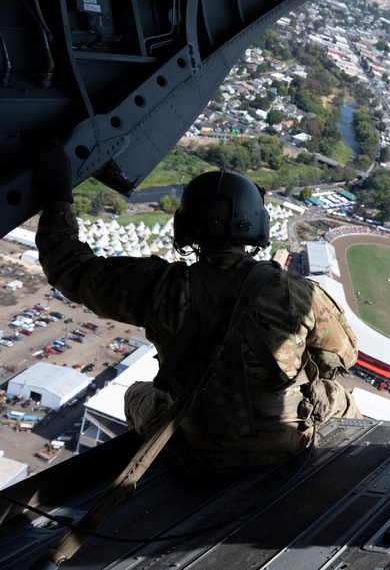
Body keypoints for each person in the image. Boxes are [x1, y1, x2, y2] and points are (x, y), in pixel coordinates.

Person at [31, 158, 360, 475]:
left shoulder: (159, 289)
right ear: (257, 224)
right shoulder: (299, 294)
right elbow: (342, 356)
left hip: (196, 457)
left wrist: (57, 197)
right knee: (339, 398)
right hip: (289, 445)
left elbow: (70, 268)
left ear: (185, 226)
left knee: (136, 393)